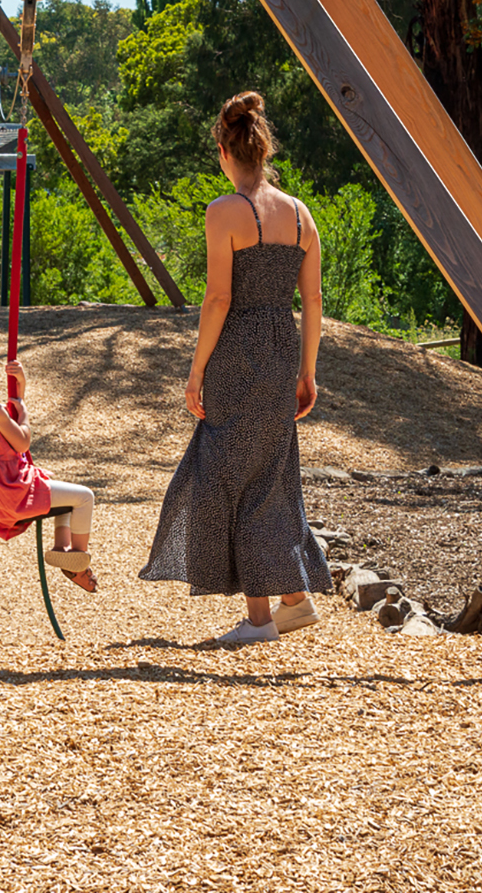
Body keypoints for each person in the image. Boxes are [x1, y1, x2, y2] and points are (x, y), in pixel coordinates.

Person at [139, 91, 330, 647]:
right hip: (282, 350)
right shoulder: (300, 215)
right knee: (268, 474)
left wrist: (195, 371)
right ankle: (293, 600)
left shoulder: (224, 211)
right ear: (262, 150)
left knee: (226, 476)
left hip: (237, 353)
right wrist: (308, 373)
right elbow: (313, 301)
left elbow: (218, 299)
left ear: (225, 151)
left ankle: (260, 618)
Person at [0, 347, 97, 592]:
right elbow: (22, 441)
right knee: (84, 497)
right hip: (12, 491)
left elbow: (2, 419)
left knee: (61, 494)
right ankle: (79, 559)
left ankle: (62, 548)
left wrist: (20, 384)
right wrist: (24, 415)